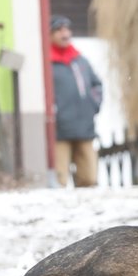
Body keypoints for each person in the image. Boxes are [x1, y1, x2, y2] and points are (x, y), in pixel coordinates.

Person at [49, 14, 103, 187]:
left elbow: (96, 85)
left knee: (89, 179)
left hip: (84, 126)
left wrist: (92, 105)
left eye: (67, 29)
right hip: (59, 130)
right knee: (60, 180)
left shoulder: (80, 60)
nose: (64, 34)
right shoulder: (47, 63)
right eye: (59, 30)